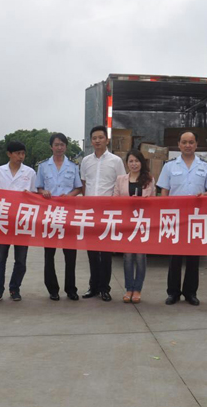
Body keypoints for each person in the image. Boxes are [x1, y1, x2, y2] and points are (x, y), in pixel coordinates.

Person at [157, 131, 207, 306]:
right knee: (174, 257)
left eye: (191, 142)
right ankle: (173, 293)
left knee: (193, 257)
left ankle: (191, 293)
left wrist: (204, 194)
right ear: (179, 144)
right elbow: (164, 192)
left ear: (196, 145)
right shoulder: (169, 166)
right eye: (184, 142)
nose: (188, 145)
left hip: (196, 219)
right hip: (175, 218)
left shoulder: (204, 166)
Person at [0, 141, 36, 303]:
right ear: (9, 154)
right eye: (17, 153)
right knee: (0, 257)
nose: (21, 157)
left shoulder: (29, 172)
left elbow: (35, 197)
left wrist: (30, 196)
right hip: (3, 220)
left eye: (23, 153)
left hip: (22, 221)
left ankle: (15, 288)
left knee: (20, 259)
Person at [80, 126, 126, 302]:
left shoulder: (116, 161)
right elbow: (84, 184)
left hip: (108, 212)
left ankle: (105, 288)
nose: (97, 141)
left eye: (101, 137)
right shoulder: (85, 161)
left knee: (106, 253)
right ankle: (93, 287)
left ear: (107, 140)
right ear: (91, 141)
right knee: (92, 252)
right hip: (90, 212)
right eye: (94, 138)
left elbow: (121, 184)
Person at [36, 133, 83, 301]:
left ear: (66, 147)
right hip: (49, 215)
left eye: (62, 144)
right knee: (49, 254)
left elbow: (78, 188)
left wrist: (70, 196)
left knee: (70, 254)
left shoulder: (73, 166)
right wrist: (44, 192)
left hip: (68, 214)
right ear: (51, 146)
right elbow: (38, 188)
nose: (59, 147)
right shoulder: (43, 167)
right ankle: (52, 289)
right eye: (56, 144)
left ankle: (71, 288)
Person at [113, 149, 155, 304]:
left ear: (141, 163)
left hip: (142, 223)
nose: (134, 164)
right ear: (127, 163)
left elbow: (153, 201)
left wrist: (142, 201)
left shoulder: (149, 179)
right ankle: (128, 288)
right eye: (131, 161)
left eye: (136, 161)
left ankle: (138, 289)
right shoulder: (120, 179)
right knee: (128, 257)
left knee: (140, 256)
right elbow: (115, 199)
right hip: (126, 223)